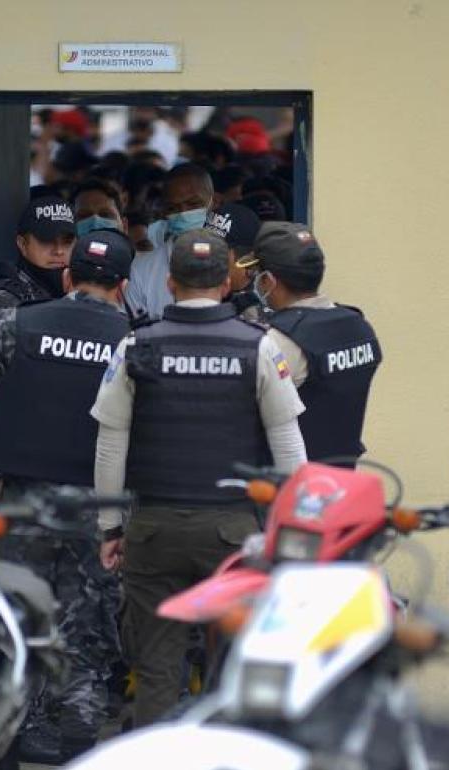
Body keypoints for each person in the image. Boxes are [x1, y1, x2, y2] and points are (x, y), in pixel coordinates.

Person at [92, 229, 307, 726]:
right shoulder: (259, 347)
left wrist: (109, 527)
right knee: (233, 667)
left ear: (169, 283)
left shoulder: (135, 347)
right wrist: (292, 529)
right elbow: (289, 446)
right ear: (227, 284)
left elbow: (110, 445)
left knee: (156, 670)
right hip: (232, 533)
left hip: (154, 529)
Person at [0, 230, 133, 763]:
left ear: (69, 276)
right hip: (95, 507)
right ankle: (74, 735)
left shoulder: (17, 322)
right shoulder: (133, 339)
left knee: (15, 615)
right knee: (86, 621)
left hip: (23, 497)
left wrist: (7, 439)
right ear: (121, 287)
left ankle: (12, 729)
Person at [253, 222, 382, 461]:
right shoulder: (360, 326)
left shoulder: (279, 341)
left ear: (269, 280)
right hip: (342, 477)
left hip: (291, 485)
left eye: (258, 276)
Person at [0, 194, 75, 343]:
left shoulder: (80, 296)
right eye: (47, 241)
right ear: (23, 244)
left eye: (67, 242)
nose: (59, 250)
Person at [126, 163, 216, 318]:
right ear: (164, 212)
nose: (183, 214)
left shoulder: (229, 259)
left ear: (213, 202)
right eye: (173, 208)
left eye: (194, 204)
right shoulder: (142, 269)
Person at [203, 202, 264, 321]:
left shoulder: (261, 307)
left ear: (248, 259)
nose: (206, 258)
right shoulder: (194, 290)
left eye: (217, 251)